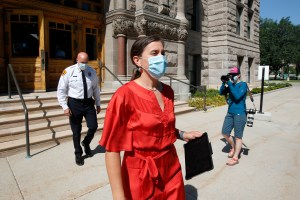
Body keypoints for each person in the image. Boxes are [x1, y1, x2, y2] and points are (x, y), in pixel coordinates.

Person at [99, 35, 204, 200]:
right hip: (140, 171)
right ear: (137, 60)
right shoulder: (124, 95)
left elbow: (161, 126)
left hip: (171, 167)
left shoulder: (168, 91)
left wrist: (183, 135)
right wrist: (118, 196)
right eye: (154, 53)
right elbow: (112, 150)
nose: (161, 58)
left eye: (162, 53)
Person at [57, 52, 101, 166]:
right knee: (76, 131)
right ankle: (78, 153)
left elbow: (96, 88)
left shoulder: (91, 71)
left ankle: (86, 143)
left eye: (86, 62)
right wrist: (64, 107)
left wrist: (98, 103)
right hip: (74, 104)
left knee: (93, 126)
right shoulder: (69, 71)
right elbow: (61, 90)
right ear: (77, 60)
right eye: (82, 62)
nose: (84, 65)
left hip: (88, 103)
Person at [219, 66, 247, 166]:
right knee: (225, 132)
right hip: (230, 112)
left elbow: (237, 97)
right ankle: (234, 146)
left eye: (234, 75)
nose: (232, 76)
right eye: (231, 75)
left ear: (238, 75)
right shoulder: (230, 84)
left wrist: (230, 85)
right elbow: (221, 92)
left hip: (240, 113)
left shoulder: (243, 85)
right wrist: (224, 83)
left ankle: (235, 157)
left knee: (238, 136)